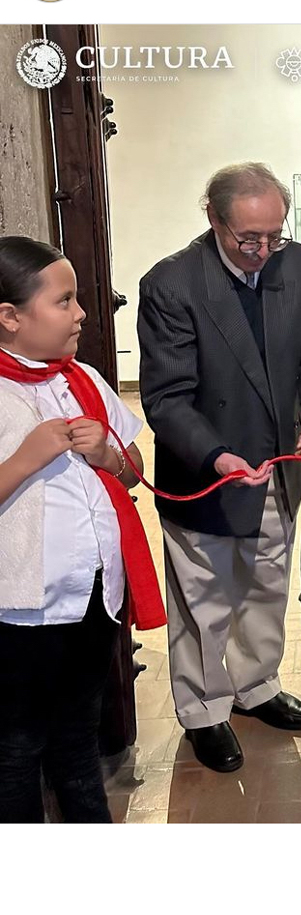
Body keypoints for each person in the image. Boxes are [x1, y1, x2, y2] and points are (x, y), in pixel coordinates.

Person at [138, 163, 301, 774]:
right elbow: (166, 398)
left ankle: (257, 686)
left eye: (275, 235)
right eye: (249, 239)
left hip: (277, 461)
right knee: (206, 599)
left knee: (267, 581)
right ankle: (203, 710)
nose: (263, 251)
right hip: (209, 471)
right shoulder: (172, 284)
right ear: (214, 219)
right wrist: (215, 455)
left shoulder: (296, 264)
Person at [0, 236, 163, 823]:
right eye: (64, 301)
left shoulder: (83, 378)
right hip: (20, 611)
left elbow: (133, 468)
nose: (82, 313)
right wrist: (25, 459)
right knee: (16, 749)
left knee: (78, 736)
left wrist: (107, 458)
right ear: (11, 317)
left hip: (93, 594)